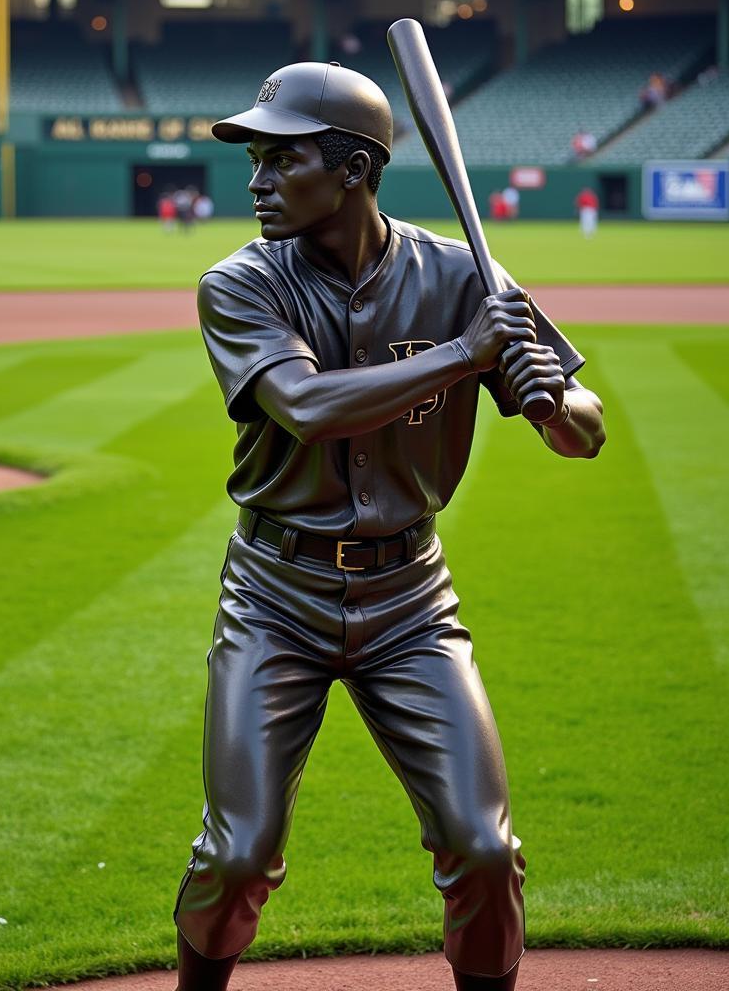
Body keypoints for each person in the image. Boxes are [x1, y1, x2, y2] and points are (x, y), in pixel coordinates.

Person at [172, 61, 606, 991]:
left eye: (280, 161)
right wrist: (466, 353)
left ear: (356, 171)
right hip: (275, 596)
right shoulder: (238, 285)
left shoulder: (463, 276)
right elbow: (309, 407)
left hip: (411, 600)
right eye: (254, 161)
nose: (255, 184)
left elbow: (587, 433)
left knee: (484, 850)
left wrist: (550, 401)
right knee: (238, 855)